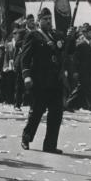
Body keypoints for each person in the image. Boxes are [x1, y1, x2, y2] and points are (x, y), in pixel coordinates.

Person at [20, 8, 68, 154]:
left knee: (56, 114)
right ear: (39, 20)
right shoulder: (33, 36)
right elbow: (25, 58)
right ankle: (26, 137)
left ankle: (50, 145)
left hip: (55, 81)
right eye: (45, 18)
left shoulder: (57, 35)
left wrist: (70, 37)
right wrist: (26, 75)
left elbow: (67, 50)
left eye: (49, 18)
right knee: (37, 112)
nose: (48, 21)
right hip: (40, 80)